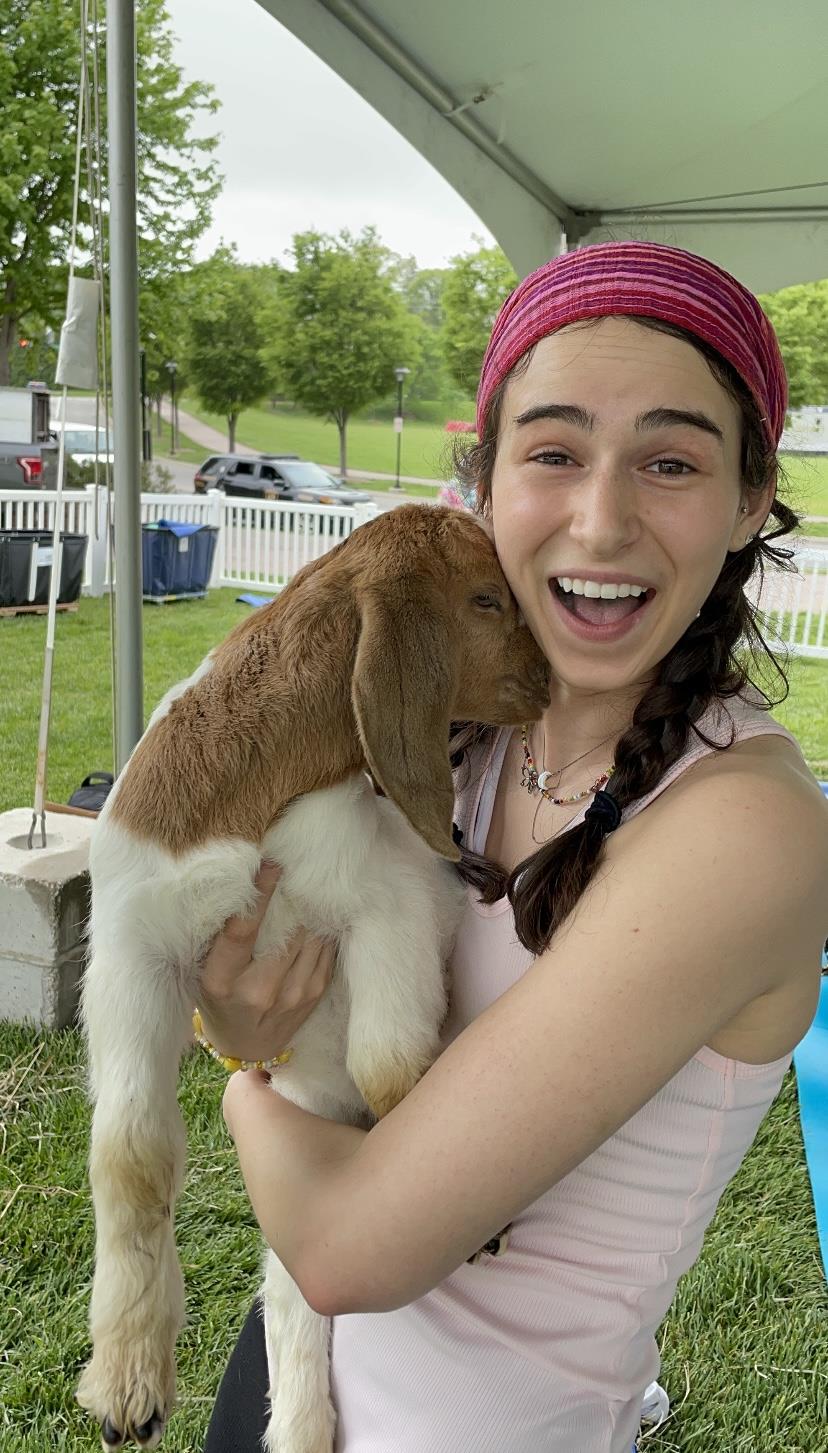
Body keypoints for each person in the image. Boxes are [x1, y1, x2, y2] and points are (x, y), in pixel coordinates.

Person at [196, 242, 828, 1453]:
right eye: (553, 451)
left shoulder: (746, 827)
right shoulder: (447, 739)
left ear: (752, 497)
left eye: (671, 459)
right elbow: (244, 988)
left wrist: (240, 1084)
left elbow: (346, 1246)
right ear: (483, 482)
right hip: (287, 1381)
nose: (603, 519)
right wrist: (238, 1027)